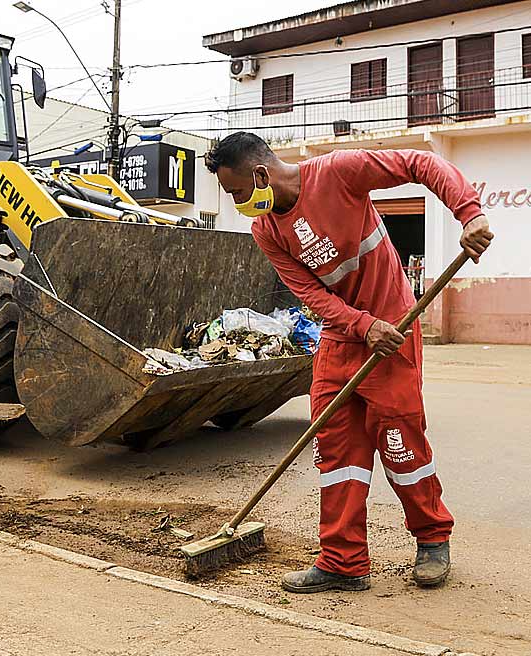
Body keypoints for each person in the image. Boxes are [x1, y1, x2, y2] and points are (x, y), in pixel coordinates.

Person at [205, 132, 493, 592]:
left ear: (260, 174)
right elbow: (311, 294)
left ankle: (433, 541)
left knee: (402, 446)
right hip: (342, 339)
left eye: (238, 192)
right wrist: (361, 326)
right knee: (336, 451)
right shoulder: (266, 229)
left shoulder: (339, 171)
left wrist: (469, 213)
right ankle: (343, 561)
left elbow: (422, 164)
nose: (240, 203)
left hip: (394, 330)